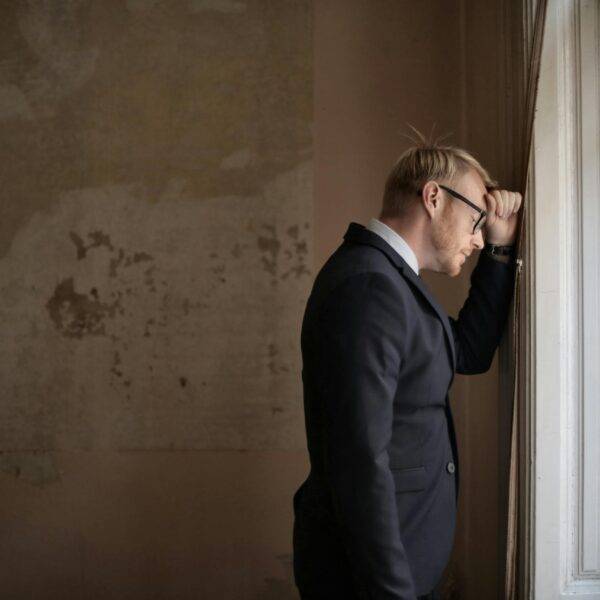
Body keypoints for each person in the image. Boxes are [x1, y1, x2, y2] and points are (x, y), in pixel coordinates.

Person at [292, 134, 522, 600]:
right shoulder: (368, 286)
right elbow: (359, 464)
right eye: (477, 219)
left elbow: (467, 352)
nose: (478, 238)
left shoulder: (391, 281)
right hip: (370, 581)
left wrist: (500, 249)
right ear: (433, 197)